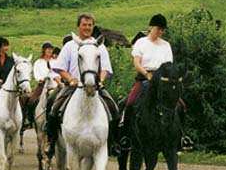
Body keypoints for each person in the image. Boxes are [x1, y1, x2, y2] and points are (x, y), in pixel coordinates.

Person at [46, 13, 118, 158]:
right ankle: (51, 141)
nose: (87, 28)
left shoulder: (99, 46)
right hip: (72, 86)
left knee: (114, 108)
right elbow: (60, 68)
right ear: (78, 26)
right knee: (52, 107)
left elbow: (105, 68)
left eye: (90, 25)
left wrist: (101, 80)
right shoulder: (69, 46)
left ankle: (113, 143)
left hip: (95, 86)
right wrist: (71, 79)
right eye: (84, 25)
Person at [118, 13, 192, 150]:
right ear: (151, 27)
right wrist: (147, 74)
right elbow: (137, 63)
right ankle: (125, 137)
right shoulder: (141, 43)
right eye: (158, 28)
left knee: (181, 105)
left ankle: (182, 137)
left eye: (163, 30)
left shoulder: (166, 45)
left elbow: (169, 65)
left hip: (163, 81)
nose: (161, 32)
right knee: (129, 102)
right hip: (144, 77)